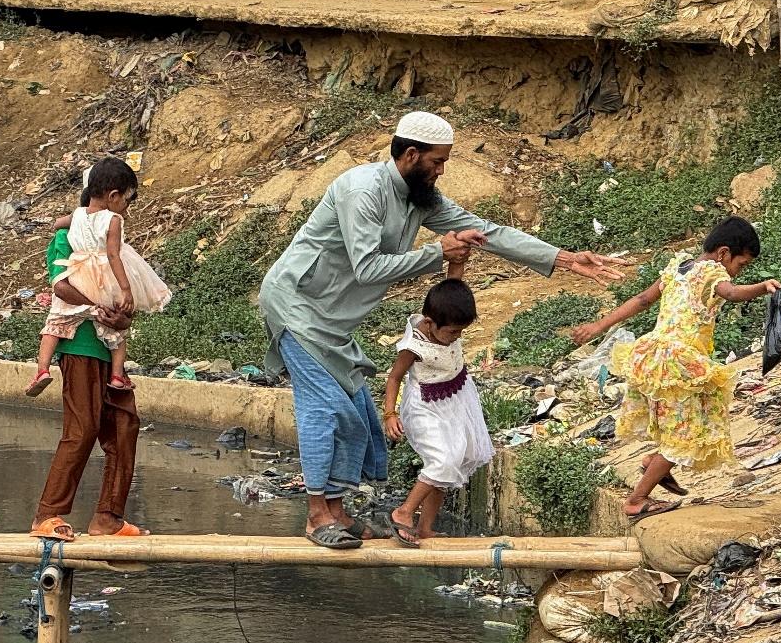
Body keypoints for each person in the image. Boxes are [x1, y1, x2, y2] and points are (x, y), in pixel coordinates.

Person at [259, 110, 630, 550]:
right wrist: (438, 252)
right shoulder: (362, 191)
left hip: (333, 321)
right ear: (411, 154)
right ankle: (317, 515)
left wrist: (564, 259)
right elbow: (367, 268)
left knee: (357, 413)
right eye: (436, 163)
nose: (440, 172)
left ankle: (338, 511)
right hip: (296, 304)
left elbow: (484, 233)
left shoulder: (421, 196)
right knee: (326, 411)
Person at [571, 216, 779, 522]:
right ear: (723, 253)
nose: (738, 272)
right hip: (679, 362)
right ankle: (637, 499)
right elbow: (732, 293)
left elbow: (642, 300)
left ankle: (652, 463)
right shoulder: (712, 271)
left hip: (654, 356)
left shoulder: (677, 268)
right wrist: (763, 287)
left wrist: (599, 326)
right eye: (742, 265)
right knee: (689, 433)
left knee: (681, 421)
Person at [29, 158, 147, 542]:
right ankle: (48, 514)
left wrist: (120, 317)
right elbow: (61, 286)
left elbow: (122, 301)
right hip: (80, 343)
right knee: (81, 429)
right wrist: (98, 309)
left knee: (124, 424)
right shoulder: (68, 238)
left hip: (108, 347)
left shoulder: (113, 242)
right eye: (126, 200)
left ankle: (108, 517)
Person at [26, 159, 171, 397]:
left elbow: (56, 224)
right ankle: (117, 374)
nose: (126, 208)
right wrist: (122, 293)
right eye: (126, 200)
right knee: (117, 335)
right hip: (91, 323)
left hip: (81, 278)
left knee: (53, 325)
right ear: (113, 196)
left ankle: (42, 369)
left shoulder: (77, 219)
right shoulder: (109, 224)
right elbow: (108, 260)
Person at [382, 276, 492, 548]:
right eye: (453, 333)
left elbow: (455, 279)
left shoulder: (446, 315)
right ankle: (404, 512)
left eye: (460, 332)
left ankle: (425, 527)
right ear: (430, 324)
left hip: (457, 399)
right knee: (443, 460)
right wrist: (389, 414)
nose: (457, 337)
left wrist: (460, 250)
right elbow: (394, 378)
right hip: (426, 407)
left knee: (454, 459)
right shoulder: (414, 347)